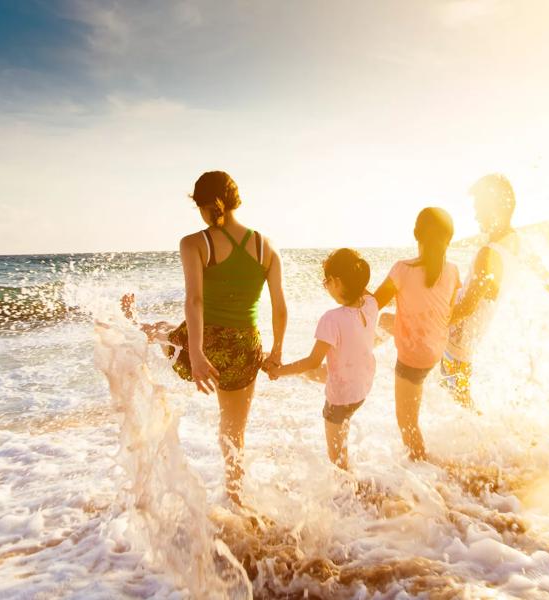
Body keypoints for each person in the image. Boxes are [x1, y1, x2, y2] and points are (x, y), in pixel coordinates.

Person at [122, 170, 287, 504]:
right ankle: (236, 497)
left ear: (211, 205)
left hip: (207, 341)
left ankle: (133, 322)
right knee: (233, 430)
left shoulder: (195, 243)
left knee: (166, 333)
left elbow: (195, 300)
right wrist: (276, 351)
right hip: (246, 346)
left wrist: (196, 353)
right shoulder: (266, 246)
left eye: (199, 206)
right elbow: (280, 307)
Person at [442, 174, 549, 408]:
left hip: (456, 341)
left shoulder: (489, 253)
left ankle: (486, 443)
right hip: (468, 341)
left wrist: (433, 323)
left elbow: (468, 305)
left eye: (480, 208)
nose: (476, 215)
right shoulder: (519, 245)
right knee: (460, 402)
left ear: (494, 208)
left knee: (460, 403)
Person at [267, 249, 377, 470]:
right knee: (342, 436)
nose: (325, 286)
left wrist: (278, 371)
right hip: (361, 390)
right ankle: (353, 489)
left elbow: (312, 361)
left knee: (336, 459)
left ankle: (351, 498)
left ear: (336, 281)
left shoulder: (331, 319)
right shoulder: (370, 303)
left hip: (339, 399)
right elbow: (361, 289)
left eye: (326, 281)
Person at [373, 208, 460, 461]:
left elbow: (373, 303)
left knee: (407, 422)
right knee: (388, 321)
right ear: (449, 239)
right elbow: (446, 307)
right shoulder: (453, 271)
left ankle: (423, 465)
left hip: (413, 357)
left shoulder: (402, 269)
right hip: (435, 348)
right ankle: (368, 348)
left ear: (415, 235)